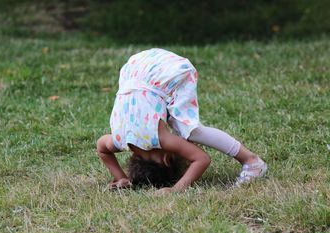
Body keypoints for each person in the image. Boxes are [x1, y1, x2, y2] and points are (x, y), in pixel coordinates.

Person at [96, 48, 267, 195]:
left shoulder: (160, 139)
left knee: (191, 131)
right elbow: (102, 149)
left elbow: (202, 159)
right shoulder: (119, 140)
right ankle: (251, 161)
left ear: (167, 159)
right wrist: (121, 177)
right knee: (183, 129)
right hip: (136, 70)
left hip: (164, 73)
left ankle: (251, 162)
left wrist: (176, 189)